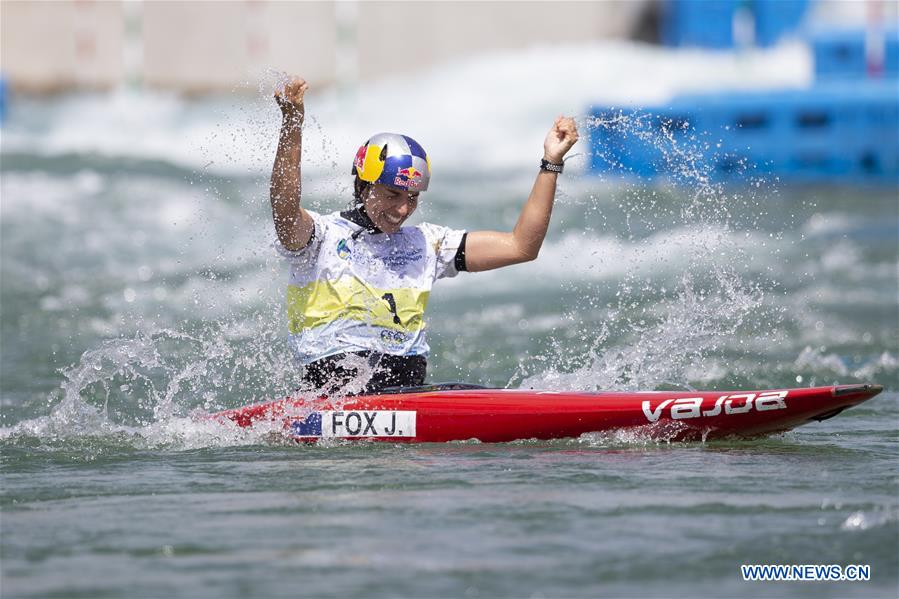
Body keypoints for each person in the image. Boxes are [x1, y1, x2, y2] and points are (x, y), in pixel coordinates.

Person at [270, 76, 579, 395]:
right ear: (363, 187)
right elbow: (284, 206)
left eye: (413, 197)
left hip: (408, 394)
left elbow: (521, 246)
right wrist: (292, 123)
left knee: (466, 390)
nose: (403, 209)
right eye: (393, 194)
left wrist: (551, 163)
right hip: (335, 394)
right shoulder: (320, 237)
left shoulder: (428, 244)